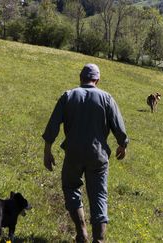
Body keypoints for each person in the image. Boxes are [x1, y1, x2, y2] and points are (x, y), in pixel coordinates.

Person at [42, 63, 129, 243]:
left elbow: (53, 123)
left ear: (80, 78)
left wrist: (47, 149)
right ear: (97, 79)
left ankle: (81, 232)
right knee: (98, 195)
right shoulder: (106, 98)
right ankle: (99, 239)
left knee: (71, 187)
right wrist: (123, 144)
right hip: (98, 156)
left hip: (73, 153)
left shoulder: (68, 95)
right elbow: (119, 127)